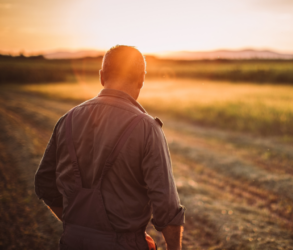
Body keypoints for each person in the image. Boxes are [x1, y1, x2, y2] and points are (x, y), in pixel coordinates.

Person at [34, 45, 185, 250]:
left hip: (71, 241)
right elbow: (166, 206)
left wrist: (82, 230)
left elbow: (44, 182)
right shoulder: (147, 128)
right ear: (142, 79)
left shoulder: (67, 120)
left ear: (101, 76)